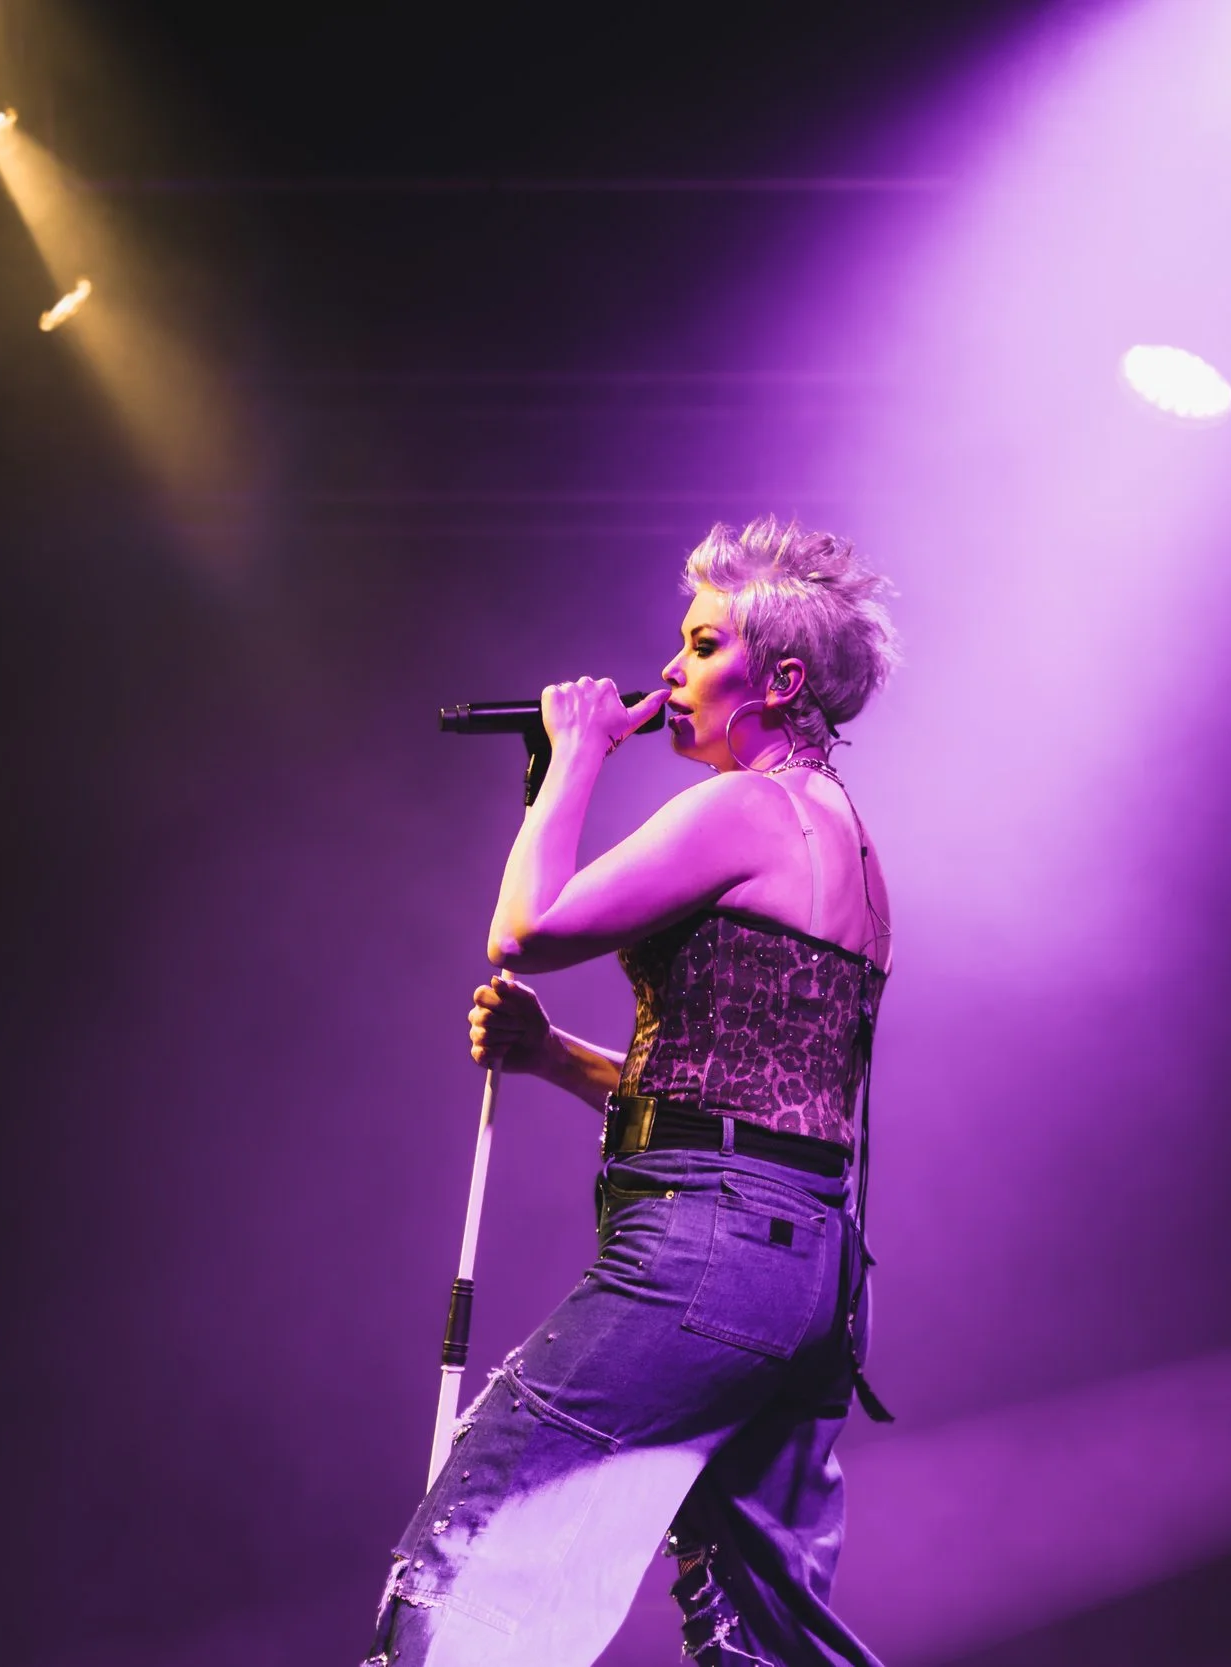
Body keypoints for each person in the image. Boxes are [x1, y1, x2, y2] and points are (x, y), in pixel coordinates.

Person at [365, 516, 901, 1667]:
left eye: (703, 645)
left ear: (779, 681)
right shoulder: (853, 849)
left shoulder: (745, 808)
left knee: (482, 1542)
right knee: (765, 1629)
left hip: (705, 1254)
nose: (670, 667)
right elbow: (751, 1106)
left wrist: (573, 755)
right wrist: (553, 1054)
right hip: (808, 1273)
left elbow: (526, 926)